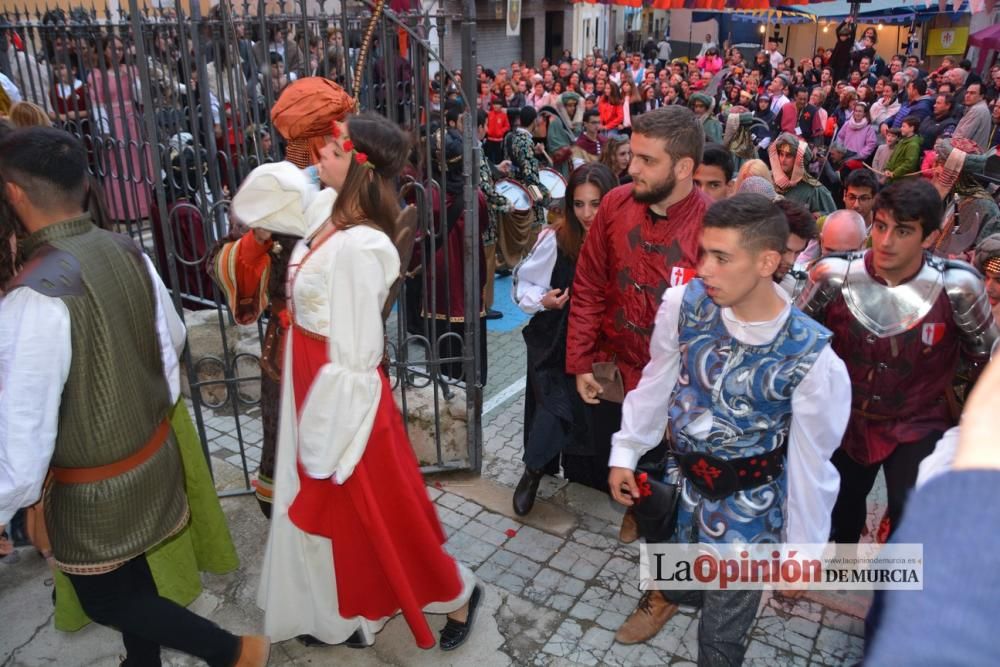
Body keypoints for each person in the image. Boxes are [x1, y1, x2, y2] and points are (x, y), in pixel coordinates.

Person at [0, 127, 261, 665]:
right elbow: (174, 343)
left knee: (106, 597)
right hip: (150, 456)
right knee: (132, 569)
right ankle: (143, 663)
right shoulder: (127, 250)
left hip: (93, 489)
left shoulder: (30, 296)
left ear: (13, 193)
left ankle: (233, 652)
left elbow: (22, 452)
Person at [257, 112, 482, 650]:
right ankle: (341, 613)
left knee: (386, 504)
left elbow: (361, 351)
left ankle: (455, 594)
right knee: (343, 508)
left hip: (344, 389)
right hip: (312, 374)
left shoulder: (362, 245)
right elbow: (258, 200)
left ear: (358, 167)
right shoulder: (329, 213)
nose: (318, 157)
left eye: (330, 149)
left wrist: (333, 427)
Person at [608, 193, 850, 657]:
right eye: (703, 253)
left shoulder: (813, 357)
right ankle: (668, 597)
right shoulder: (684, 304)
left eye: (721, 257)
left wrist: (801, 552)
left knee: (719, 640)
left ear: (767, 262)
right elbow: (658, 382)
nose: (705, 269)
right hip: (680, 490)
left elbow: (811, 464)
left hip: (751, 516)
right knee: (675, 581)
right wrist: (626, 450)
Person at [797, 178, 999, 546]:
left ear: (928, 236)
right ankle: (841, 570)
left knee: (912, 520)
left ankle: (895, 594)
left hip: (920, 420)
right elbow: (795, 346)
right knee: (840, 509)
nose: (886, 241)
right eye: (881, 226)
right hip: (847, 416)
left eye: (903, 230)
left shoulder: (959, 287)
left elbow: (985, 362)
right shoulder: (833, 276)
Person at [210, 77, 354, 516]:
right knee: (291, 440)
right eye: (340, 127)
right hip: (290, 345)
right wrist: (259, 235)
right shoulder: (271, 188)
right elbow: (227, 261)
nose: (347, 135)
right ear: (317, 136)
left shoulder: (353, 184)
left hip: (347, 341)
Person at [566, 106, 711, 495]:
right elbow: (589, 285)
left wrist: (688, 405)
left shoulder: (714, 229)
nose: (633, 168)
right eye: (634, 155)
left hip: (673, 395)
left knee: (661, 492)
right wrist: (581, 362)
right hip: (611, 374)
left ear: (683, 168)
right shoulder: (614, 204)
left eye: (647, 160)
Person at [511, 163, 617, 516]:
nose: (587, 213)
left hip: (602, 345)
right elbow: (522, 284)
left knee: (590, 413)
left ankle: (585, 478)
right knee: (554, 407)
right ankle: (533, 472)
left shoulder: (624, 241)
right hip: (556, 338)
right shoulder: (556, 240)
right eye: (579, 204)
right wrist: (544, 300)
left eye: (596, 203)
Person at [768, 133, 836, 215]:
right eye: (781, 154)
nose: (783, 159)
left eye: (788, 156)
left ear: (798, 160)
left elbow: (832, 218)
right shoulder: (769, 180)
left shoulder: (815, 191)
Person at [883, 115, 923, 182]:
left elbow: (909, 164)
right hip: (892, 177)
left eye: (904, 126)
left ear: (912, 128)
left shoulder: (913, 145)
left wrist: (895, 173)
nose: (901, 128)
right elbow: (893, 157)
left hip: (900, 180)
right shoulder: (902, 141)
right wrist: (887, 169)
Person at [953, 82, 991, 151]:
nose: (967, 95)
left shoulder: (977, 110)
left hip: (966, 157)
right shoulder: (982, 108)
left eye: (972, 93)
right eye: (967, 92)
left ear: (981, 96)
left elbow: (961, 138)